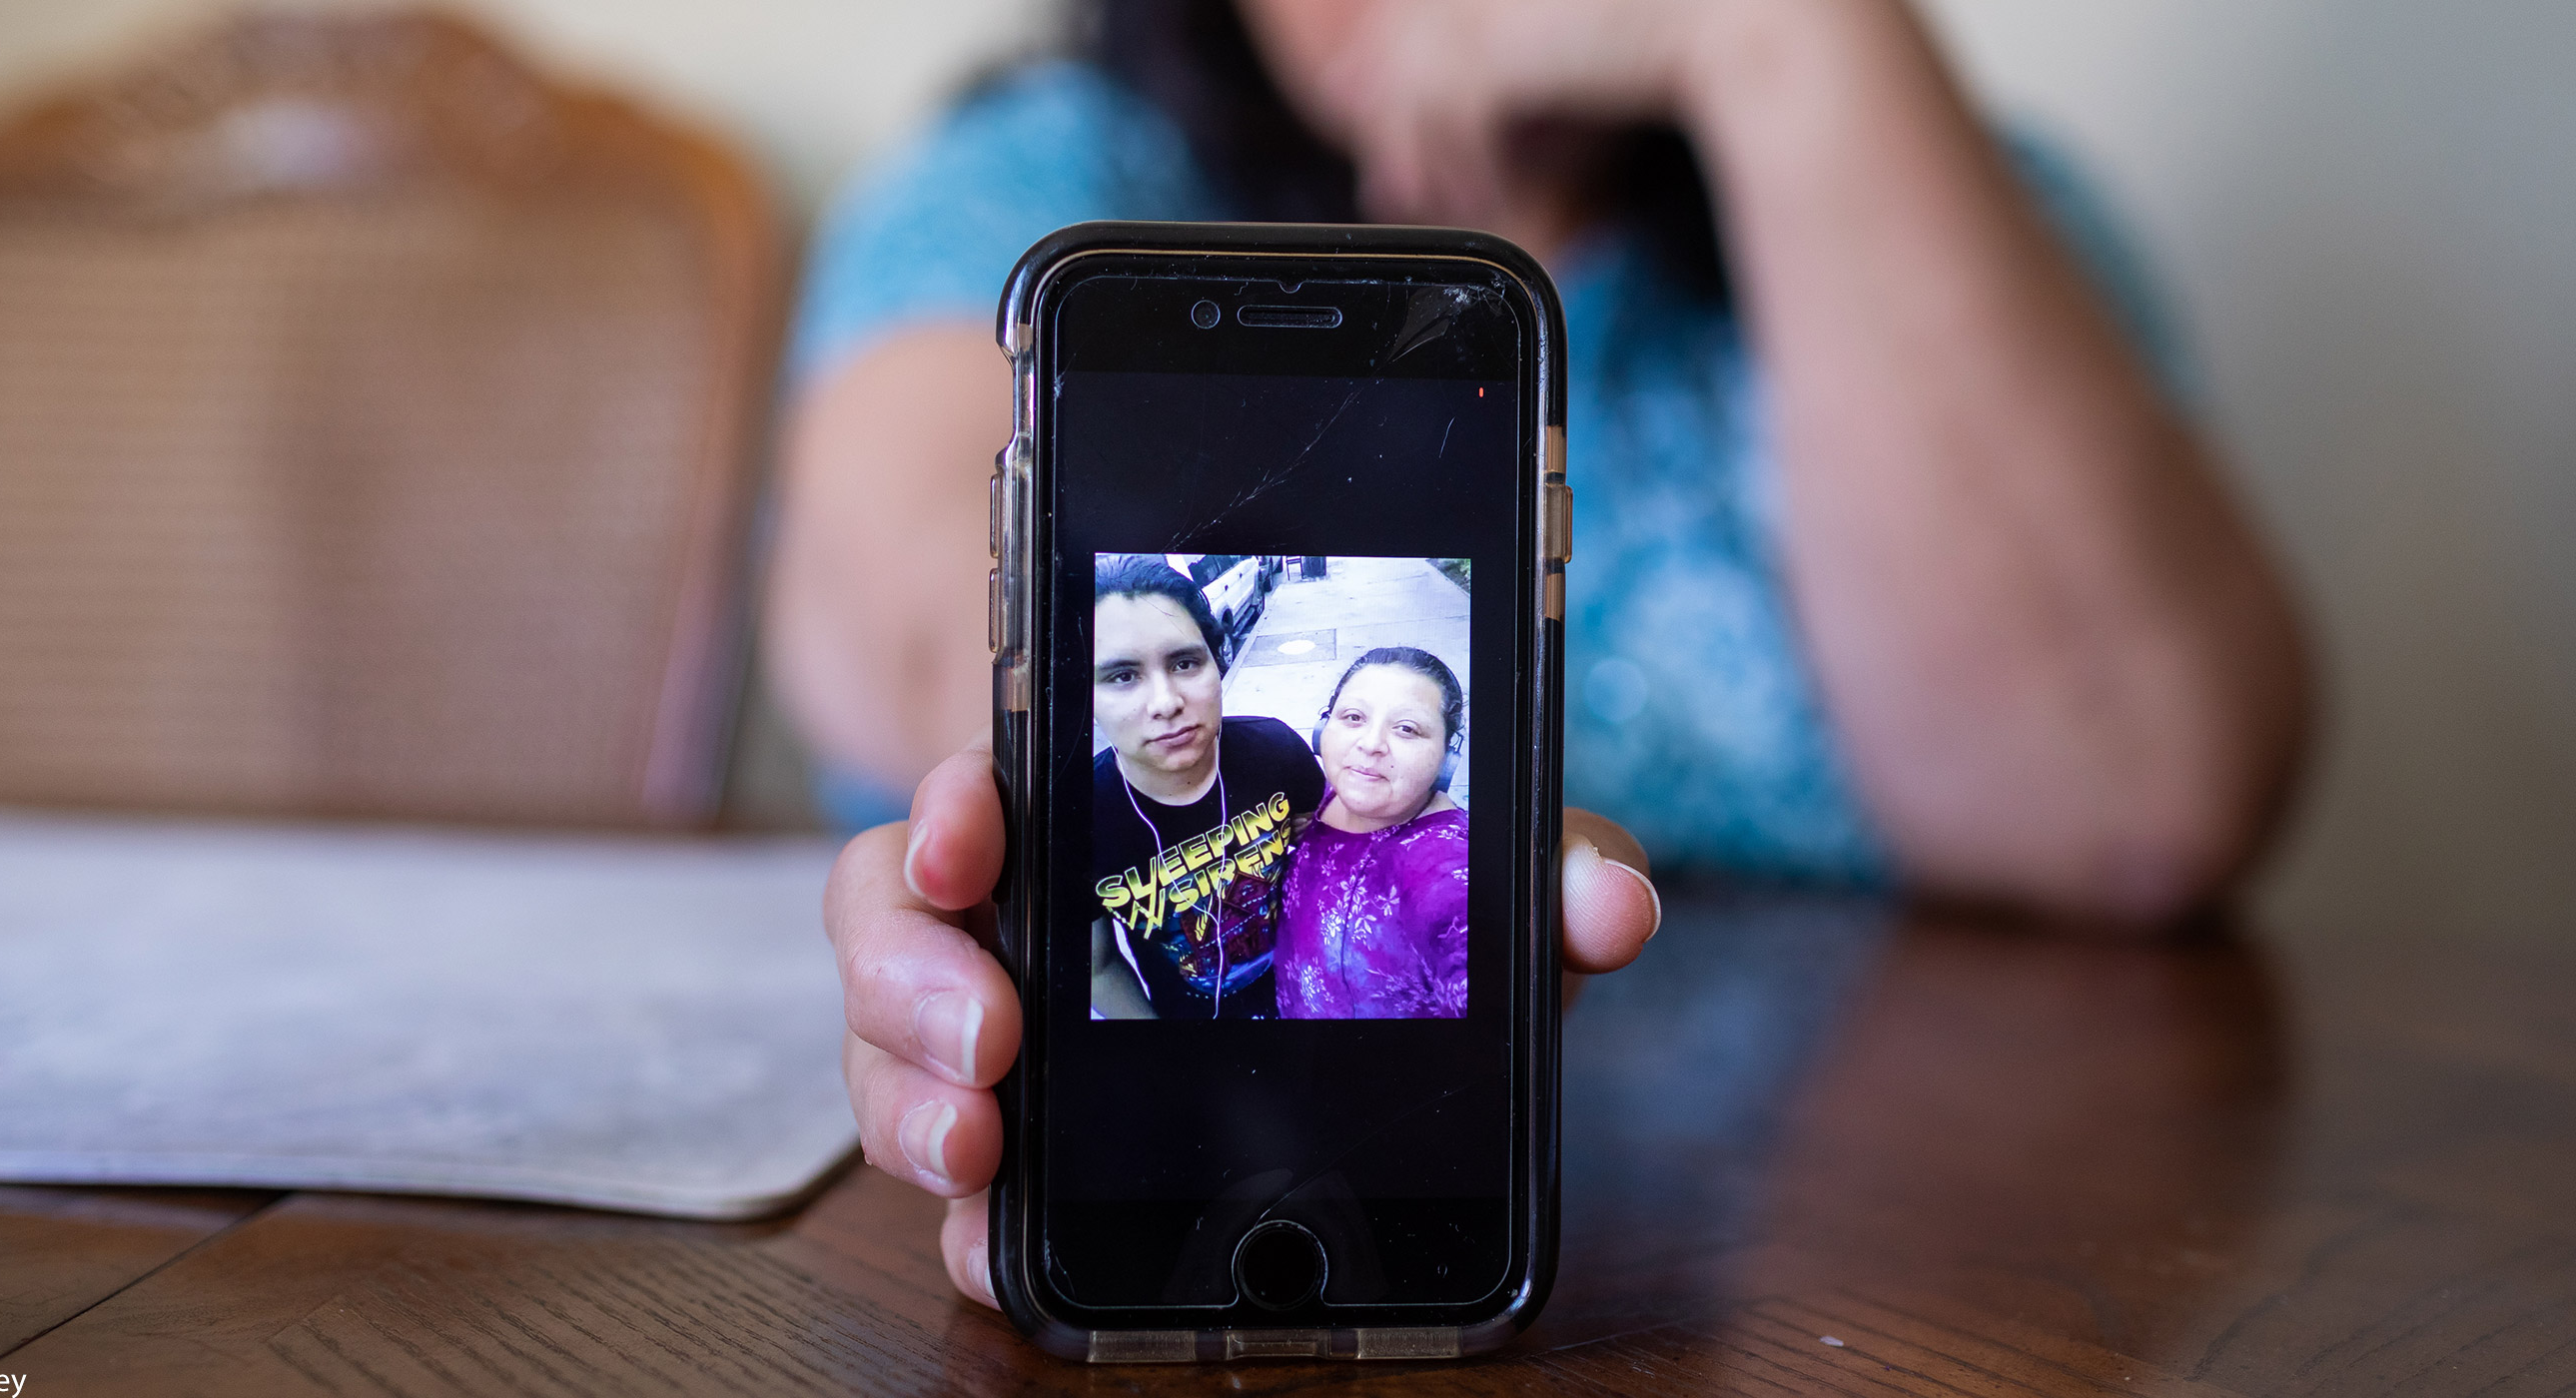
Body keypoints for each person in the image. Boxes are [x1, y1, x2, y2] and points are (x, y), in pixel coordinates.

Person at [802, 0, 2312, 1309]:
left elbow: (2141, 793)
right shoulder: (1053, 177)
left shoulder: (1946, 188)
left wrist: (1780, 41)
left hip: (1903, 1227)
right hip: (1186, 1144)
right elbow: (928, 635)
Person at [1087, 554, 1325, 1019]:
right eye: (1122, 676)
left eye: (1184, 663)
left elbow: (1340, 861)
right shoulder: (1077, 819)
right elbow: (1098, 968)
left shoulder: (1277, 751)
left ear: (1216, 664)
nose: (1166, 702)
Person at [1276, 648, 1471, 1020]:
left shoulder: (1440, 861)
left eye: (1406, 729)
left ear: (1448, 758)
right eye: (1353, 717)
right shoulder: (1330, 796)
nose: (1370, 743)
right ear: (1322, 730)